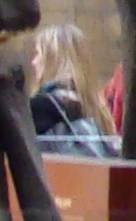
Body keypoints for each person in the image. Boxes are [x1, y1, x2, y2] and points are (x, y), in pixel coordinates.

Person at [30, 23, 112, 157]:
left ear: (52, 58)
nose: (34, 62)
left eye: (38, 53)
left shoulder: (43, 107)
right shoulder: (97, 106)